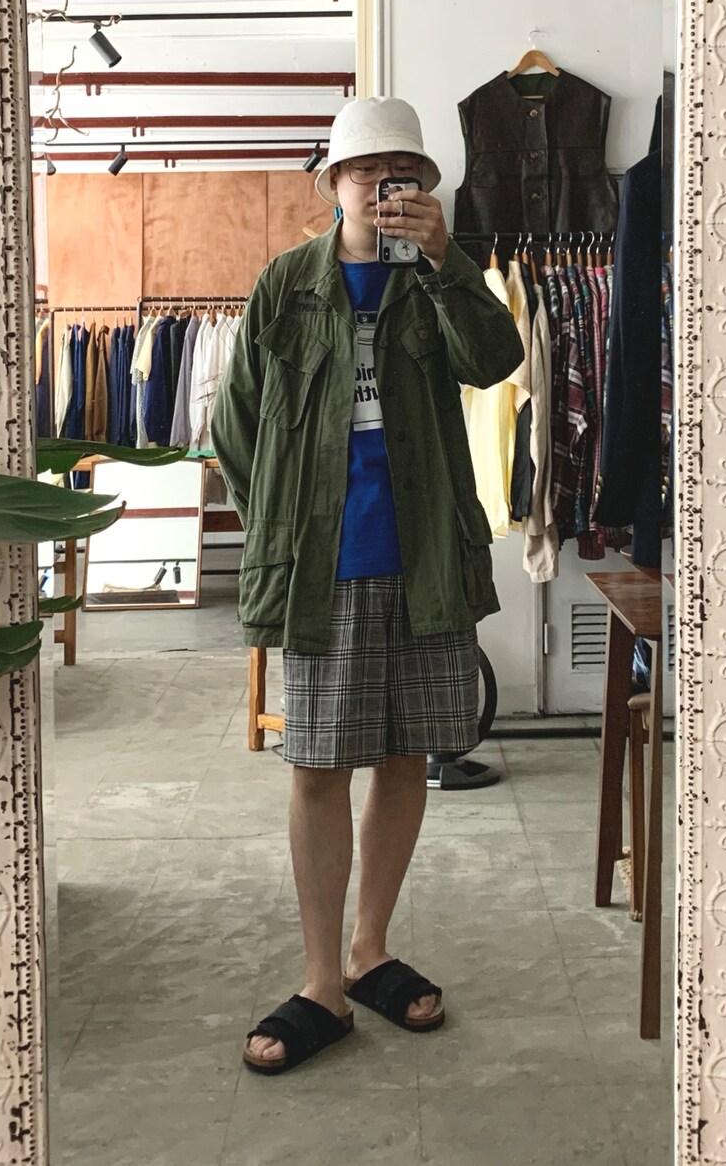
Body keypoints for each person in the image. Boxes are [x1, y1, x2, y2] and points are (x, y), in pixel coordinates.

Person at [211, 96, 523, 1075]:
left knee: (404, 755)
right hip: (324, 565)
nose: (386, 187)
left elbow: (497, 361)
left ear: (422, 186)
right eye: (367, 171)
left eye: (405, 173)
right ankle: (321, 982)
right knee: (316, 766)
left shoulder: (437, 278)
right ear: (335, 184)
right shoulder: (286, 284)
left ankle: (369, 947)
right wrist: (278, 526)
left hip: (426, 556)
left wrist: (447, 261)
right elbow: (235, 425)